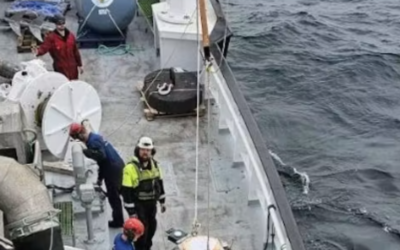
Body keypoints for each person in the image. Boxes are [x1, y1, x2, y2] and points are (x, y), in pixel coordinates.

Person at [69, 122, 125, 228]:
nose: (79, 141)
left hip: (112, 170)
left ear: (80, 134)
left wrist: (85, 151)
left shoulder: (92, 142)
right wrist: (100, 179)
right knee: (121, 192)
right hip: (117, 166)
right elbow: (102, 163)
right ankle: (126, 215)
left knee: (114, 197)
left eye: (77, 138)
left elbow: (101, 156)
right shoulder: (95, 137)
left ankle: (118, 221)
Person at [121, 137, 166, 250]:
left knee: (151, 229)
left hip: (151, 205)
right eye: (142, 149)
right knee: (141, 233)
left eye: (148, 150)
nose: (145, 152)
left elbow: (159, 184)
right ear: (138, 150)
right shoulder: (130, 168)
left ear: (152, 152)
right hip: (139, 206)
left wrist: (162, 202)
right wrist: (132, 213)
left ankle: (147, 247)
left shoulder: (155, 165)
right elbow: (126, 193)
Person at [32, 14, 83, 80]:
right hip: (60, 69)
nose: (62, 25)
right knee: (62, 86)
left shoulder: (71, 36)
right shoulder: (51, 38)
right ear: (55, 24)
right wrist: (38, 52)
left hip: (73, 68)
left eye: (63, 23)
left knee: (73, 85)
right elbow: (44, 47)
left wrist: (80, 65)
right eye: (59, 23)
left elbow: (76, 52)